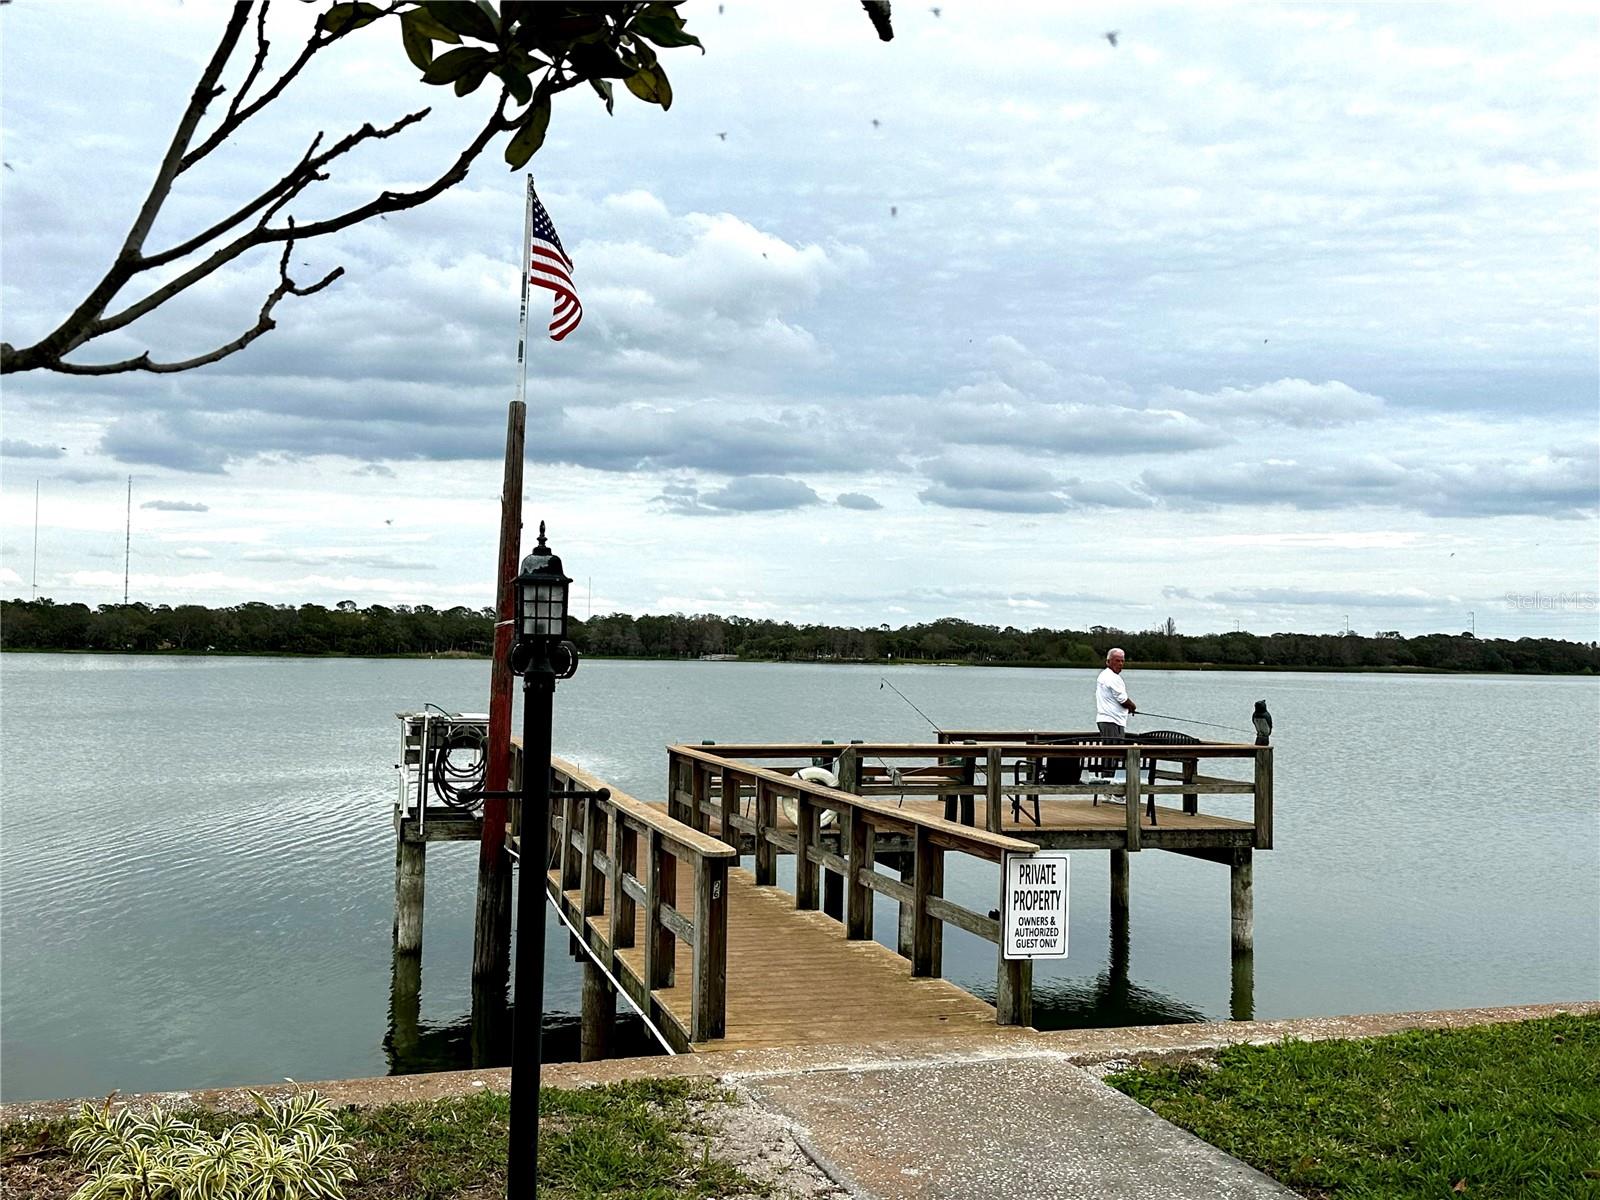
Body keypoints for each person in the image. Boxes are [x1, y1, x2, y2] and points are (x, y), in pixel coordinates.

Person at [1095, 647, 1136, 739]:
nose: (1120, 664)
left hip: (1106, 720)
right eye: (1117, 661)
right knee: (1115, 752)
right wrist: (1133, 707)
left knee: (1111, 751)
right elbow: (1123, 700)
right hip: (1112, 721)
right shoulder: (1113, 677)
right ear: (1108, 662)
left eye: (1122, 661)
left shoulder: (1104, 675)